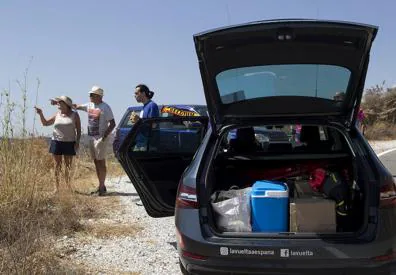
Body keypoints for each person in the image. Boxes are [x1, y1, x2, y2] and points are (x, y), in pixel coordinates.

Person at [74, 86, 116, 196]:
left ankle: (101, 187)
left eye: (92, 95)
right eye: (90, 95)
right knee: (96, 162)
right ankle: (101, 186)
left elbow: (112, 124)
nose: (90, 96)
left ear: (98, 96)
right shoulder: (89, 105)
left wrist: (104, 137)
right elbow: (76, 106)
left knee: (101, 162)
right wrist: (61, 102)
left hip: (100, 139)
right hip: (91, 138)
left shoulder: (105, 107)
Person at [34, 95, 81, 193]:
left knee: (68, 166)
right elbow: (45, 123)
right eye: (58, 102)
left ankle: (68, 187)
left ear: (66, 104)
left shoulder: (75, 115)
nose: (58, 103)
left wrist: (77, 142)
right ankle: (56, 188)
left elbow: (79, 130)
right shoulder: (57, 114)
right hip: (56, 142)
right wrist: (41, 114)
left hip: (69, 142)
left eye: (60, 102)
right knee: (57, 166)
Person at [129, 84, 159, 205]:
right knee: (141, 172)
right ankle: (146, 197)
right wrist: (136, 121)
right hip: (141, 142)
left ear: (143, 93)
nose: (135, 95)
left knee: (146, 172)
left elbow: (154, 125)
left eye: (136, 93)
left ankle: (150, 199)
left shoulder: (152, 106)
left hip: (148, 144)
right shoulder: (144, 107)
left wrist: (139, 121)